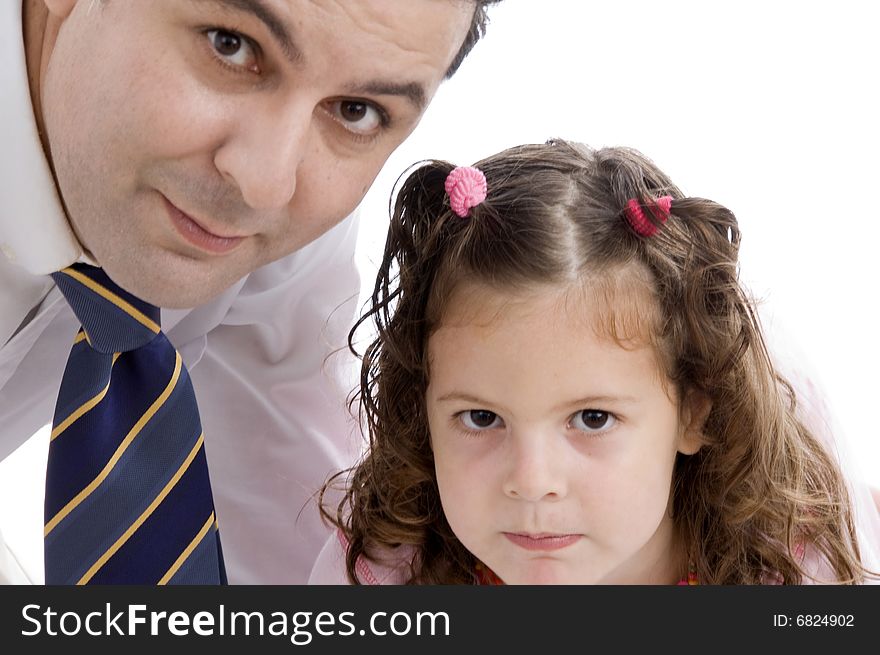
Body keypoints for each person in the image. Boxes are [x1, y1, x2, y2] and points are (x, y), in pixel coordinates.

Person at [0, 0, 502, 584]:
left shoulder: (281, 213)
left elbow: (300, 540)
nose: (265, 182)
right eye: (229, 44)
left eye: (356, 110)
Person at [310, 139, 880, 584]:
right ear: (423, 410)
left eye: (592, 419)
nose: (532, 483)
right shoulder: (384, 578)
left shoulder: (794, 573)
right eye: (481, 418)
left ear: (694, 412)